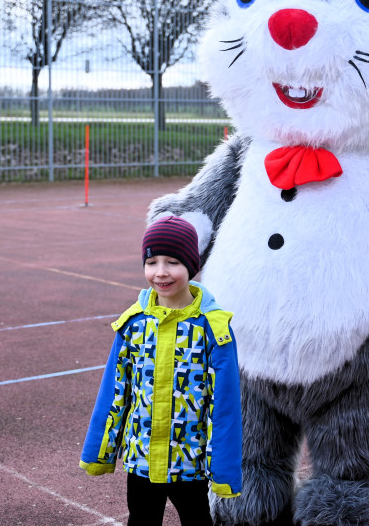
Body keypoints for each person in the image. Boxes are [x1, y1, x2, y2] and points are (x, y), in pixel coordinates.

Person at [80, 215, 242, 525]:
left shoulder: (212, 329)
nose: (161, 272)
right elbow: (115, 391)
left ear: (191, 266)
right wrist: (99, 451)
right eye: (151, 262)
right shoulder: (133, 323)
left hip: (189, 463)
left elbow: (224, 406)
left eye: (173, 262)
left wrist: (223, 469)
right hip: (141, 459)